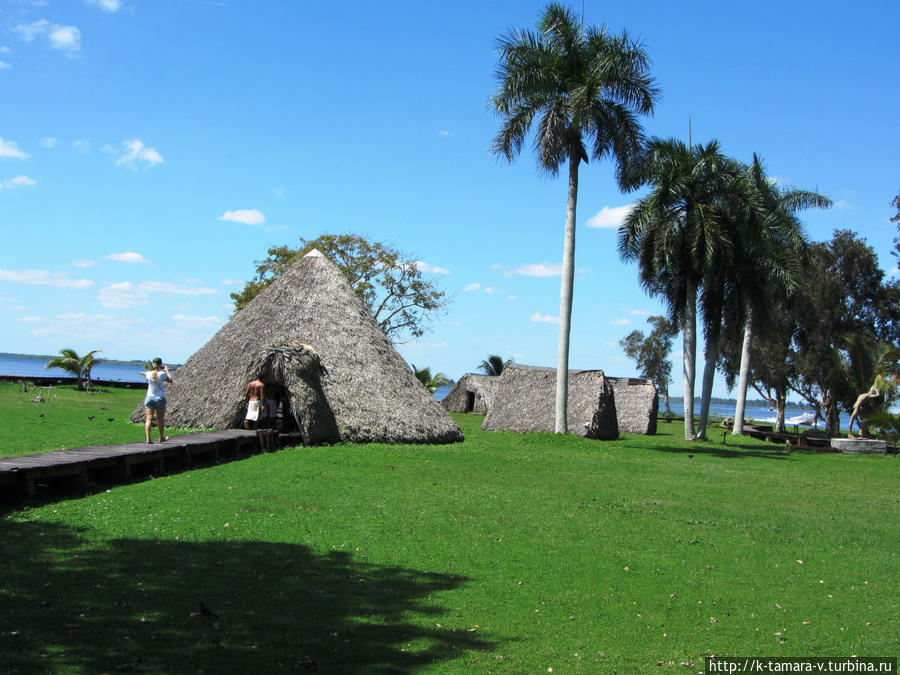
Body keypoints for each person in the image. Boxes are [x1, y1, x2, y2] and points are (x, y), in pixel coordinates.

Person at [139, 358, 173, 444]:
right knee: (160, 419)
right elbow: (170, 380)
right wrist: (167, 371)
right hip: (159, 398)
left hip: (149, 398)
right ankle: (161, 438)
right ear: (160, 365)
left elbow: (145, 374)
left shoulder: (148, 374)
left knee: (149, 419)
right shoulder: (162, 374)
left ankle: (148, 439)